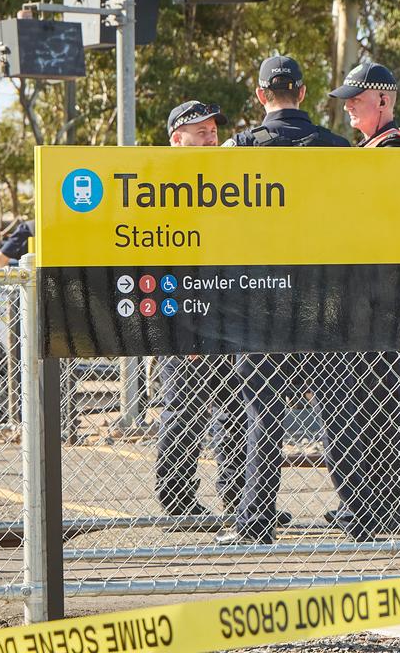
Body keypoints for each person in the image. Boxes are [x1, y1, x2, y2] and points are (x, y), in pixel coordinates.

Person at [219, 55, 348, 545]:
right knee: (339, 409)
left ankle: (256, 522)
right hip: (325, 301)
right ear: (304, 91)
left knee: (260, 413)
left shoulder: (238, 149)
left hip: (259, 301)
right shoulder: (340, 150)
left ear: (260, 96)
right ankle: (363, 513)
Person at [317, 62, 400, 541]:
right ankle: (365, 502)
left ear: (383, 100)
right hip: (364, 299)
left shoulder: (396, 149)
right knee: (359, 408)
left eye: (356, 98)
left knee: (372, 409)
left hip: (382, 301)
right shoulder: (372, 149)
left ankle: (376, 507)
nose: (348, 106)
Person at [153, 100, 248, 531]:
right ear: (177, 139)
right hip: (185, 316)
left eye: (213, 130)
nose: (211, 137)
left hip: (229, 314)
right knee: (184, 410)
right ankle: (176, 500)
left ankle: (237, 496)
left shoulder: (227, 183)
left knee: (232, 408)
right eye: (201, 131)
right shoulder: (163, 186)